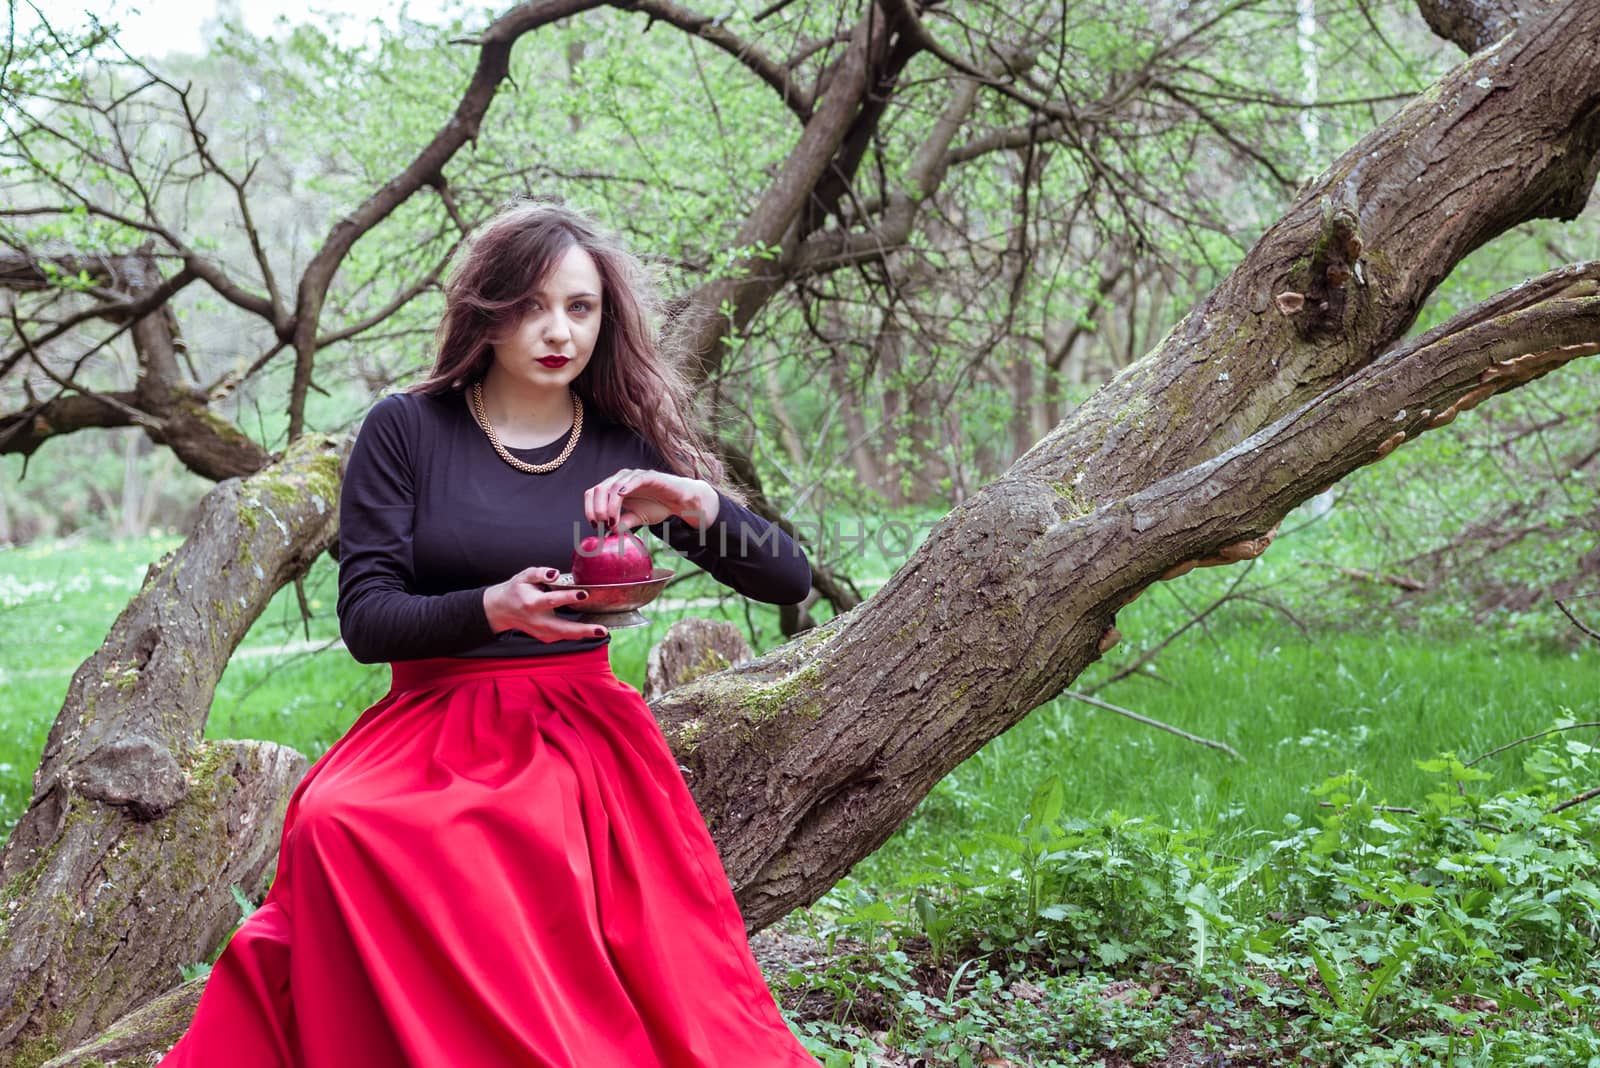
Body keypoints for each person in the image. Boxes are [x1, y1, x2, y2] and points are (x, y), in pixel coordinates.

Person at [161, 200, 821, 1067]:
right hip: (431, 714)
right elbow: (366, 619)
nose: (559, 331)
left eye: (580, 308)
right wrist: (490, 609)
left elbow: (788, 579)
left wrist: (701, 502)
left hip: (576, 726)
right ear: (489, 309)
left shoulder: (621, 442)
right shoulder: (407, 428)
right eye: (533, 306)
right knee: (334, 821)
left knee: (517, 837)